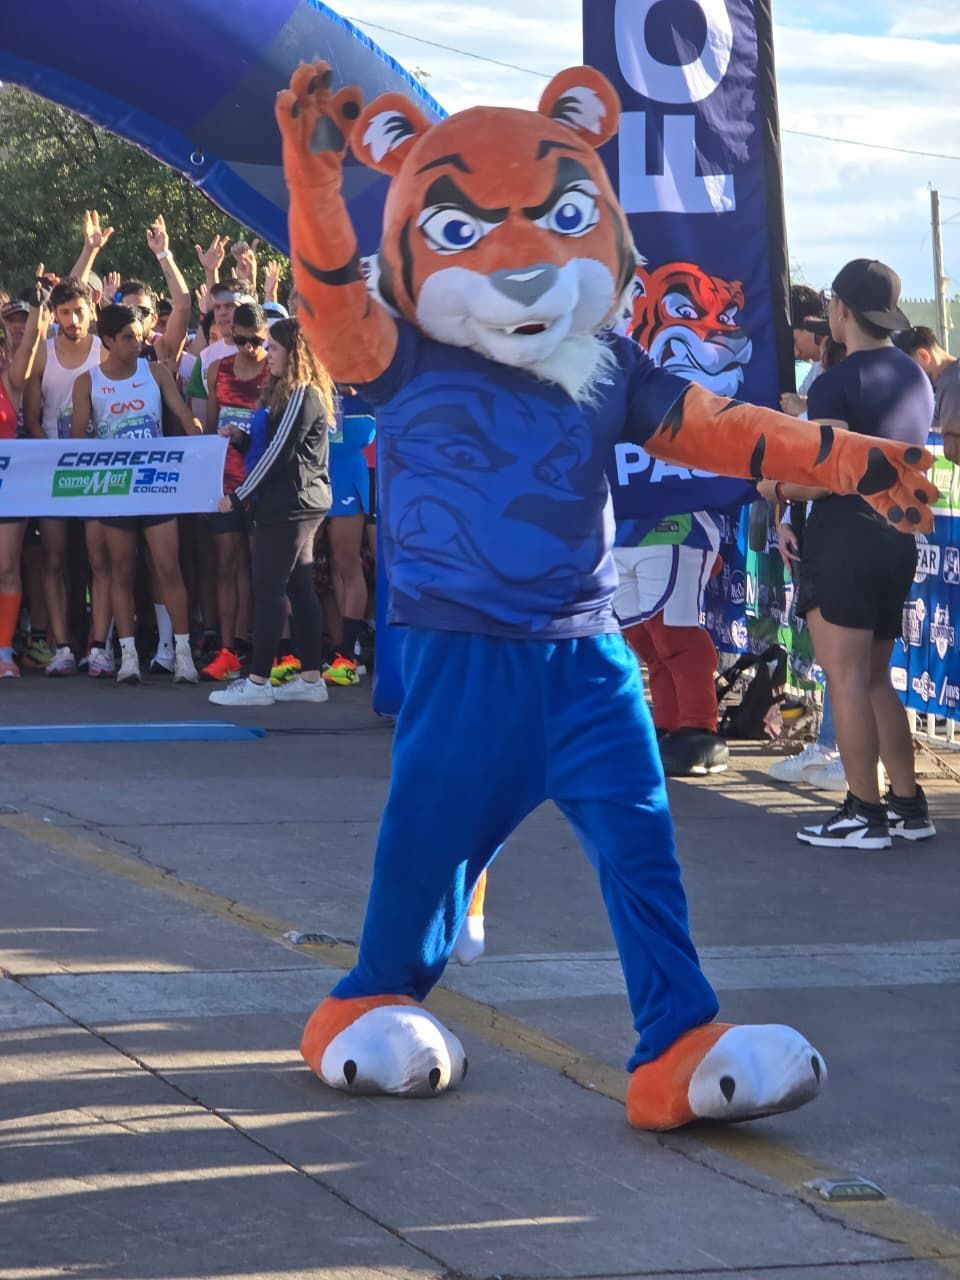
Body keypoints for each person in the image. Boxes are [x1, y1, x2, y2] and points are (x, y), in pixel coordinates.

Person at [766, 260, 937, 848]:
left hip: (845, 537)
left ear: (840, 309)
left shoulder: (836, 382)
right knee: (874, 679)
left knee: (845, 679)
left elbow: (825, 477)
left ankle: (864, 812)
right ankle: (907, 806)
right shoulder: (915, 375)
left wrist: (776, 489)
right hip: (897, 535)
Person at [70, 305, 201, 684]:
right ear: (108, 340)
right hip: (115, 490)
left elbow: (183, 416)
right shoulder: (87, 382)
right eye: (128, 337)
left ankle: (183, 654)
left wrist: (206, 444)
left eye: (139, 336)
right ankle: (127, 656)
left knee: (168, 566)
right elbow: (77, 441)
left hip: (156, 484)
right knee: (121, 571)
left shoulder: (155, 372)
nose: (137, 343)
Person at [209, 317, 333, 706]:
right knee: (298, 587)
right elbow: (272, 447)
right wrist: (241, 439)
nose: (268, 355)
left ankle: (258, 682)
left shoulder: (303, 394)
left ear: (294, 354)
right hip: (294, 501)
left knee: (268, 589)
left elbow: (280, 455)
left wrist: (239, 495)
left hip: (289, 504)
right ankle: (311, 679)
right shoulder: (291, 393)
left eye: (275, 348)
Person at [22, 277, 104, 676]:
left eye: (79, 311)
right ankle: (62, 646)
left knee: (99, 559)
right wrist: (55, 454)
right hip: (55, 469)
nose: (73, 320)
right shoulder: (44, 353)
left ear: (92, 310)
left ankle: (98, 643)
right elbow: (33, 418)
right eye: (65, 312)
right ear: (55, 314)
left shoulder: (104, 349)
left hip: (98, 471)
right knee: (53, 558)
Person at [201, 300, 269, 680]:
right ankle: (228, 648)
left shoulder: (274, 372)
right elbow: (212, 428)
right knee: (227, 565)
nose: (248, 348)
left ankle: (264, 646)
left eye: (255, 341)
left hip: (261, 483)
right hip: (225, 482)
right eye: (241, 340)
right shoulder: (218, 369)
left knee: (262, 569)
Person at [0, 284, 50, 678]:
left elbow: (30, 345)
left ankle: (4, 651)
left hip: (9, 488)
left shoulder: (10, 380)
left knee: (6, 567)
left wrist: (37, 308)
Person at [323, 386, 375, 684]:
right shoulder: (315, 376)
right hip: (316, 469)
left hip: (348, 471)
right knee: (325, 566)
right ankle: (339, 649)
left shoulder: (367, 381)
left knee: (347, 562)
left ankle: (347, 655)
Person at [893, 325, 960, 463]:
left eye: (909, 367)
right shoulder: (946, 381)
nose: (907, 376)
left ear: (923, 356)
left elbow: (954, 448)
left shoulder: (953, 383)